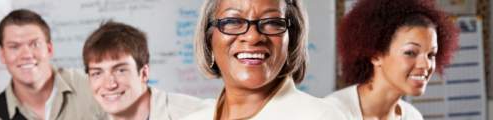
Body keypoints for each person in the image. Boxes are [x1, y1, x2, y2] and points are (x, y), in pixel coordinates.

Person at [182, 0, 347, 119]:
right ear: (208, 38)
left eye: (272, 22)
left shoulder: (321, 116)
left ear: (292, 40)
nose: (253, 37)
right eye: (232, 21)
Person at [324, 0, 460, 119]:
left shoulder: (413, 117)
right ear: (375, 55)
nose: (426, 65)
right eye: (411, 53)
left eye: (431, 54)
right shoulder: (331, 114)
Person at [0, 9, 108, 120]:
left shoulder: (92, 88)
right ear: (2, 55)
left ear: (49, 50)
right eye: (14, 46)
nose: (26, 55)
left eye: (35, 44)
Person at [82, 21, 215, 120]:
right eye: (97, 73)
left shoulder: (200, 115)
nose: (109, 85)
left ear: (144, 73)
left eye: (120, 70)